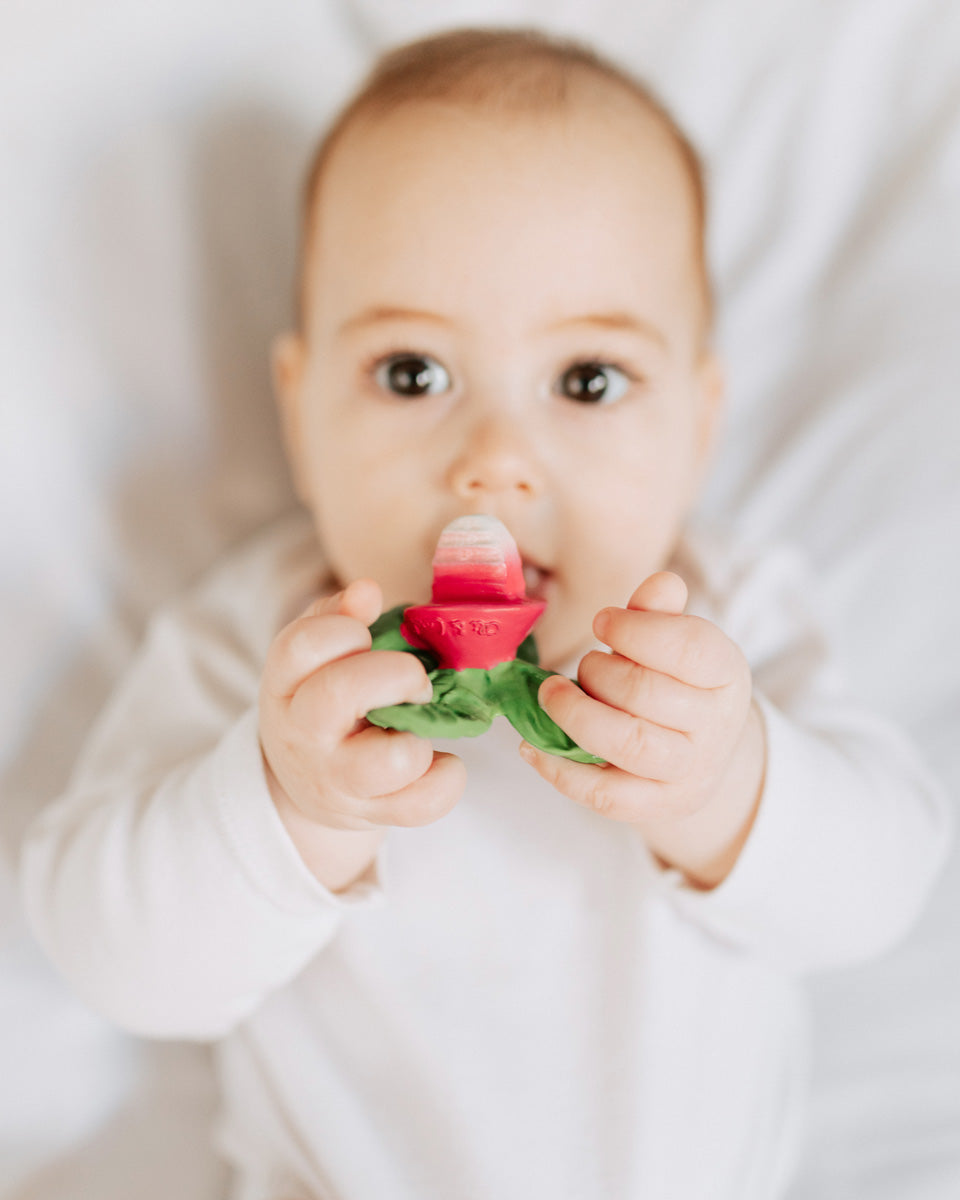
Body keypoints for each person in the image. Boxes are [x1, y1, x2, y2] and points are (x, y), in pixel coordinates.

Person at [18, 26, 952, 1200]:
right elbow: (111, 963)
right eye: (412, 373)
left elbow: (883, 891)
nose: (497, 462)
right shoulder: (268, 646)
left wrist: (730, 790)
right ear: (301, 416)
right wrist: (282, 806)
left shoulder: (725, 625)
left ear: (698, 426)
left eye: (588, 380)